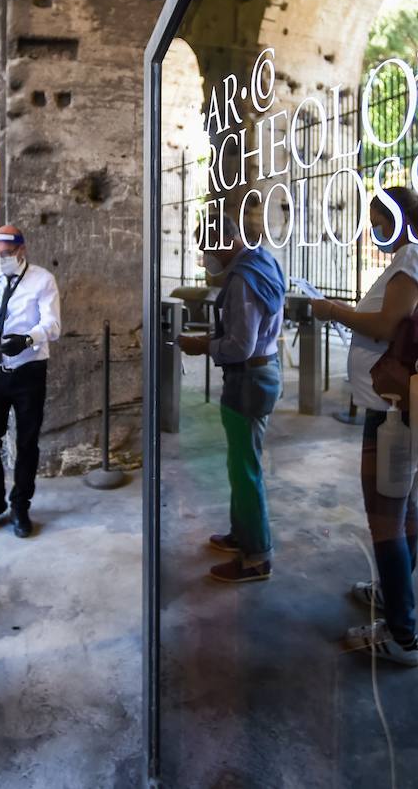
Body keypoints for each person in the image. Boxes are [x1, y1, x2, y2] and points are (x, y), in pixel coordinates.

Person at [312, 186, 418, 667]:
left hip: (395, 411)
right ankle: (394, 593)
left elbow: (390, 326)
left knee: (385, 518)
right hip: (414, 404)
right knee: (403, 503)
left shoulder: (412, 256)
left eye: (377, 218)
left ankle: (402, 634)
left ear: (399, 218)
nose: (373, 228)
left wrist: (332, 310)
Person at [177, 213, 285, 583]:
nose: (205, 255)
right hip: (263, 373)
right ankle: (242, 534)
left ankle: (257, 557)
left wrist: (201, 344)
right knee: (241, 465)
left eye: (207, 247)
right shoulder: (263, 261)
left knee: (245, 470)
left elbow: (240, 344)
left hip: (249, 379)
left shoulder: (242, 280)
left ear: (225, 240)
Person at [0, 225, 61, 538]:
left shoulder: (42, 280)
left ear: (21, 250)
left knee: (27, 442)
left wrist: (27, 338)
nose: (2, 259)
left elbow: (52, 324)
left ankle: (21, 504)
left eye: (7, 254)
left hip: (28, 371)